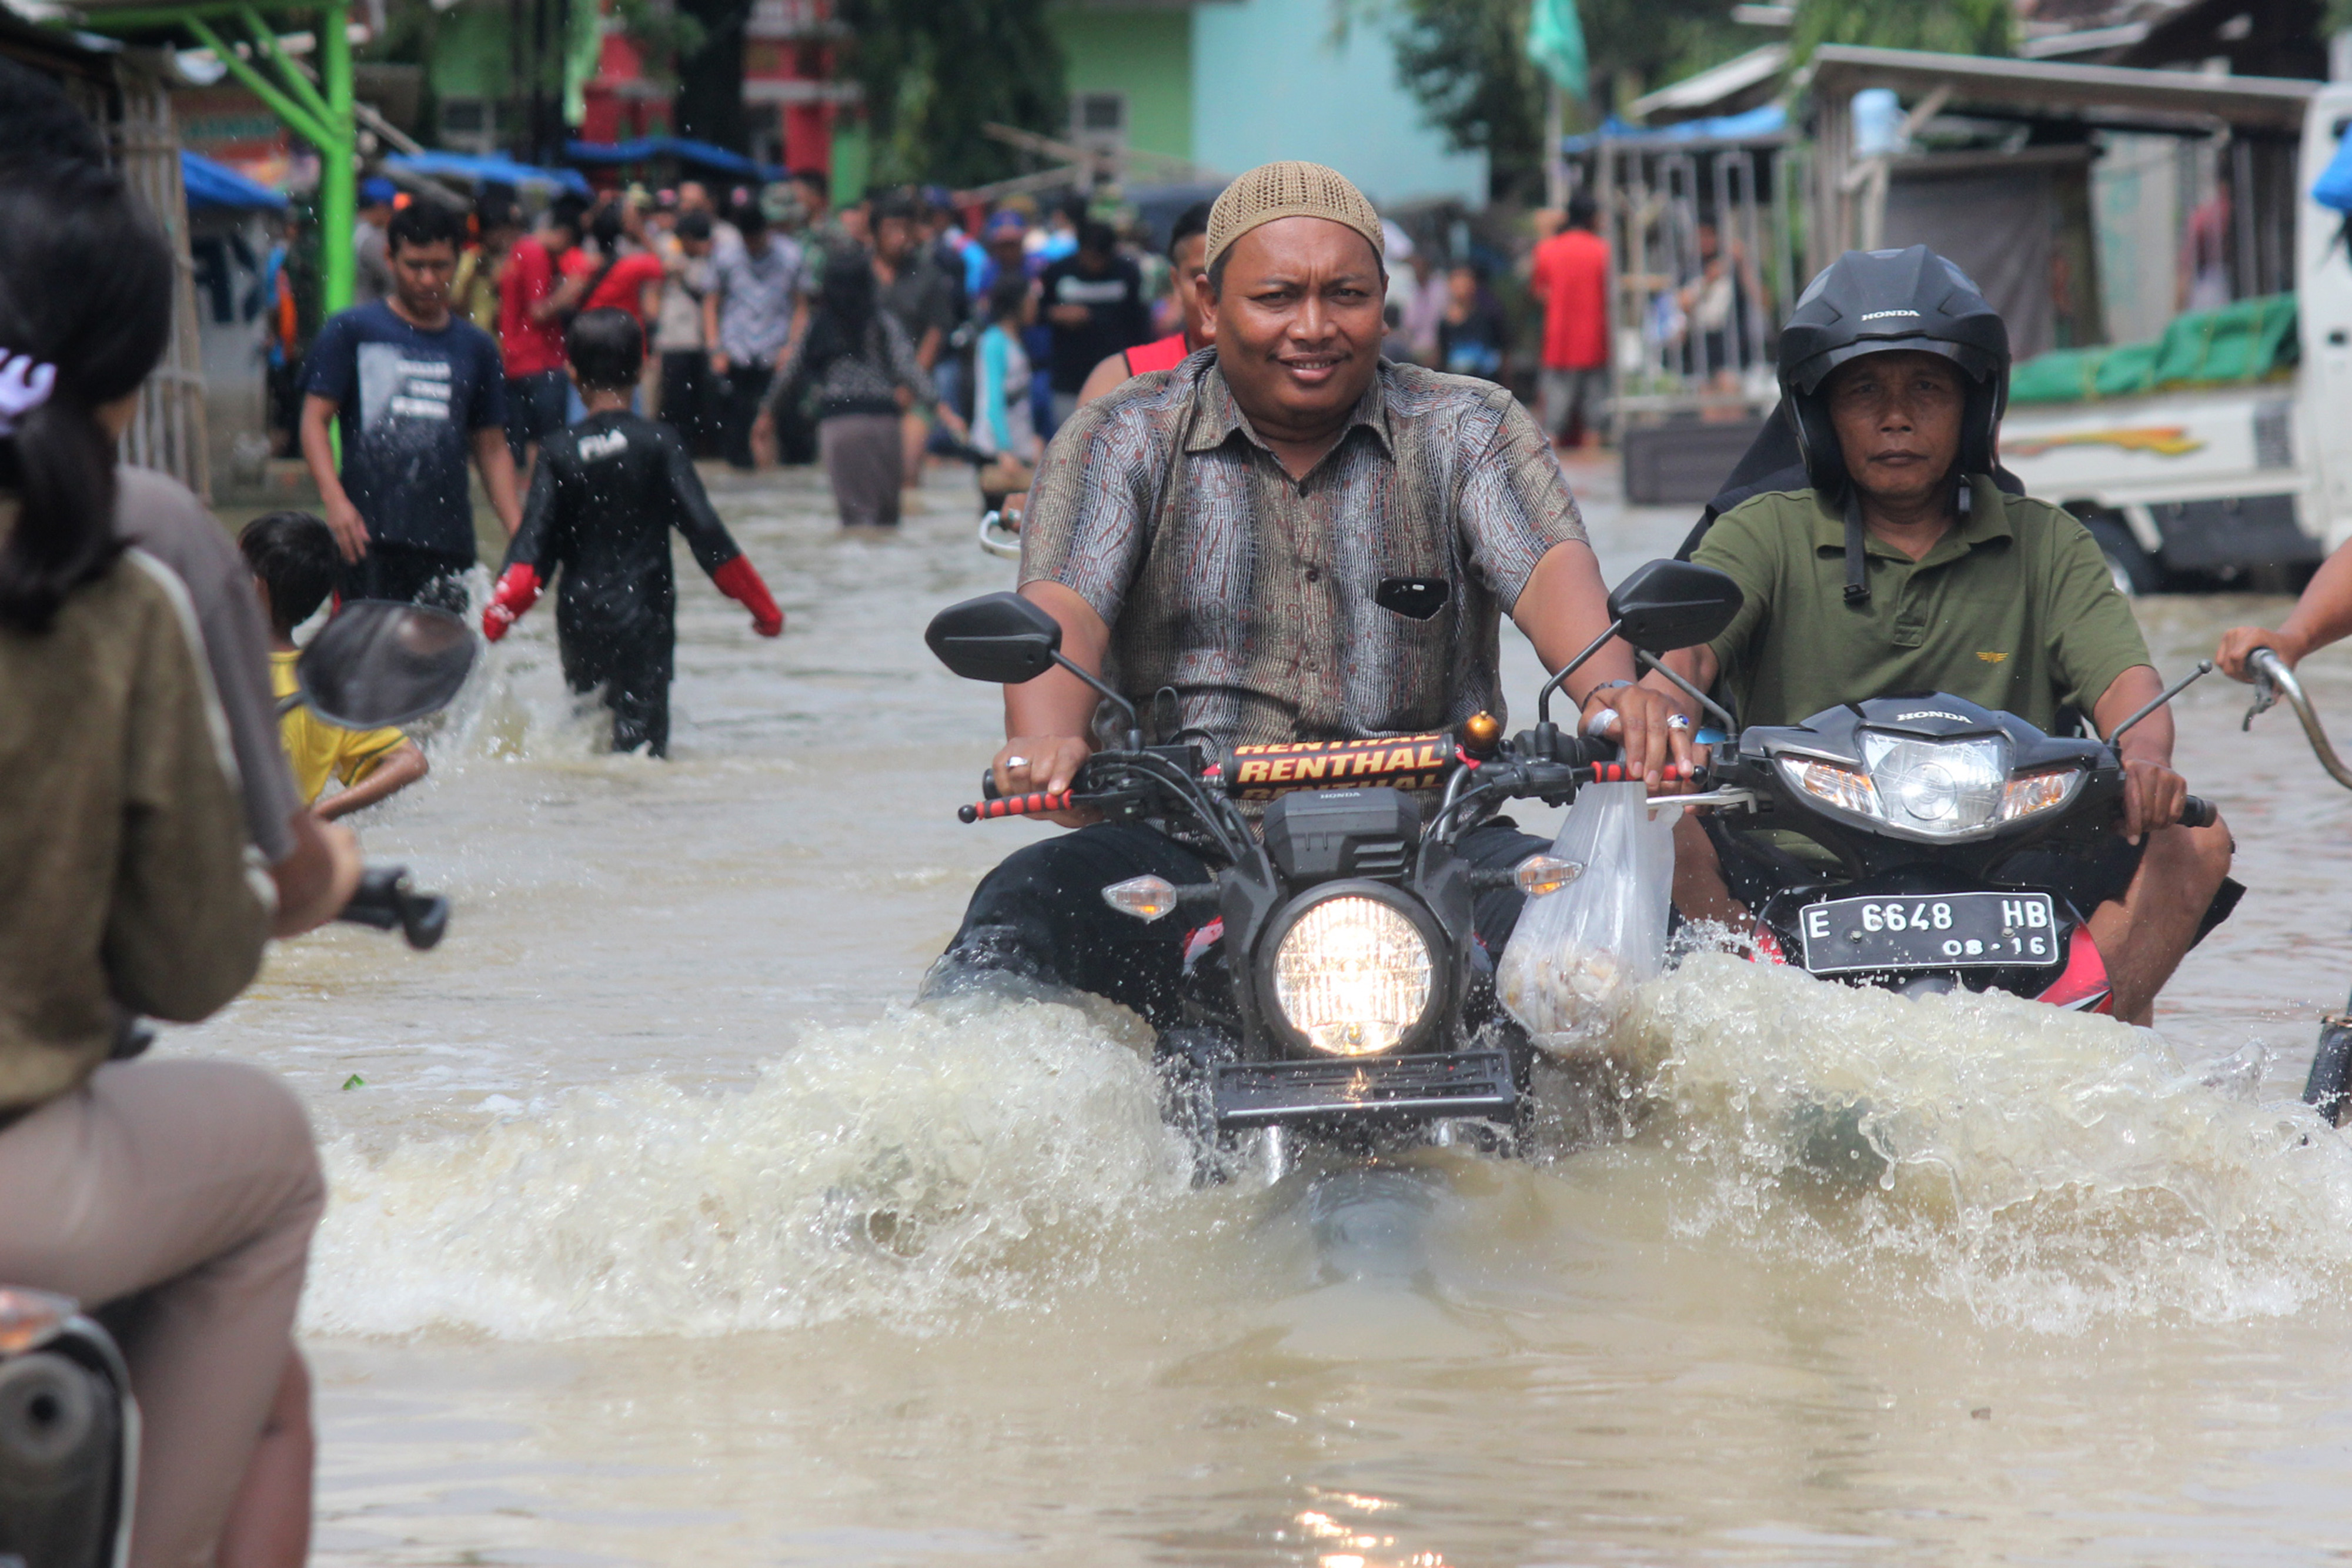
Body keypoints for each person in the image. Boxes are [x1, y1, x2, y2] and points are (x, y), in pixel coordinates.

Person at [922, 160, 1683, 1017]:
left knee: (1655, 959)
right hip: (1184, 856)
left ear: (1385, 300)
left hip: (1440, 846)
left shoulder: (1472, 426)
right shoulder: (1120, 434)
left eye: (1346, 296)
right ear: (1208, 304)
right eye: (1277, 297)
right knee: (1013, 918)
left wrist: (1616, 698)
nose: (1314, 327)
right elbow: (1065, 608)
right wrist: (1047, 739)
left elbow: (1549, 570)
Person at [0, 114, 325, 1568]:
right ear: (126, 384)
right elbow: (198, 957)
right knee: (276, 1162)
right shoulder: (121, 581)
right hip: (32, 1174)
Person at [1656, 245, 2236, 1027]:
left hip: (2015, 864)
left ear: (1975, 406)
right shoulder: (1763, 531)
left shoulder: (2048, 541)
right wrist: (1660, 729)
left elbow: (2126, 684)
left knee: (2195, 843)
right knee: (1657, 826)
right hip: (1802, 860)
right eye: (1865, 390)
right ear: (1820, 413)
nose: (1897, 417)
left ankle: (2073, 1046)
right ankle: (1746, 1039)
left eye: (1926, 387)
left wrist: (2147, 761)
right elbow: (1685, 653)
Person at [480, 309, 783, 755]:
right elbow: (705, 532)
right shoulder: (659, 444)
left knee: (588, 735)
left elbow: (532, 551)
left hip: (581, 618)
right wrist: (763, 608)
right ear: (642, 370)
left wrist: (496, 617)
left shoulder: (558, 451)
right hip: (645, 619)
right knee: (641, 750)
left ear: (573, 373)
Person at [299, 199, 522, 607]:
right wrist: (335, 501)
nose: (427, 279)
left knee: (444, 664)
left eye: (440, 266)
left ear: (459, 260)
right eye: (414, 265)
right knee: (365, 660)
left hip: (448, 541)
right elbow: (314, 420)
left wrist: (519, 535)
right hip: (365, 537)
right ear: (390, 258)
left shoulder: (477, 347)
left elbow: (491, 447)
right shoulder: (351, 330)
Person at [239, 511, 430, 817]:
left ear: (255, 586)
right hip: (287, 851)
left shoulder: (217, 664)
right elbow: (410, 761)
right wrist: (322, 814)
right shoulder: (325, 688)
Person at [758, 246, 939, 528]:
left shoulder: (819, 327)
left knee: (855, 520)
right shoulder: (882, 323)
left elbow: (791, 372)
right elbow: (908, 369)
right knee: (887, 521)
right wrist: (934, 403)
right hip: (883, 421)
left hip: (839, 425)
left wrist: (768, 410)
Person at [1073, 199, 1213, 404]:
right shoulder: (1122, 377)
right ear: (1175, 282)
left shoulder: (1273, 372)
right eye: (1198, 278)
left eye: (1227, 275)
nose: (1213, 292)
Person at [872, 189, 963, 488]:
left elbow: (935, 334)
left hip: (915, 387)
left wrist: (912, 384)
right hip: (867, 388)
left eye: (905, 229)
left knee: (908, 475)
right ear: (875, 232)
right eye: (891, 229)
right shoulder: (859, 275)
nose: (899, 237)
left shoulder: (928, 275)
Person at [497, 195, 593, 474]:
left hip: (516, 360)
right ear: (563, 234)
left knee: (523, 446)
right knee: (549, 447)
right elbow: (539, 311)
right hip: (540, 362)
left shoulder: (519, 248)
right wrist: (572, 289)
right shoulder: (536, 253)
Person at [703, 203, 802, 470]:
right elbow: (711, 302)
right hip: (737, 351)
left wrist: (792, 347)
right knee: (736, 430)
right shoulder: (725, 255)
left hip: (777, 350)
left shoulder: (790, 254)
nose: (752, 245)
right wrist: (715, 348)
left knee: (785, 429)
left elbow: (801, 304)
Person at [1036, 220, 1152, 433]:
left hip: (1116, 377)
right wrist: (1059, 314)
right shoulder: (1059, 272)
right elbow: (1038, 313)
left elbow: (1138, 322)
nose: (1095, 264)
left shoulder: (1126, 273)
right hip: (1069, 378)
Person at [1531, 192, 1609, 449]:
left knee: (1554, 415)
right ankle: (1593, 455)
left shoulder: (1547, 249)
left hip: (1559, 339)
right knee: (1593, 414)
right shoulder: (1602, 250)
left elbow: (1540, 292)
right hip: (1594, 339)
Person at [654, 209, 719, 453]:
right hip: (673, 343)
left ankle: (699, 450)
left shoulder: (710, 262)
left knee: (700, 404)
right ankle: (676, 449)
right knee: (675, 403)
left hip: (700, 343)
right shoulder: (670, 252)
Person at [970, 272, 1041, 468]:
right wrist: (1004, 449)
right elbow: (993, 400)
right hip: (998, 452)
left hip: (1018, 447)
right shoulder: (995, 342)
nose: (1035, 306)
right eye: (1030, 300)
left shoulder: (1016, 340)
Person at [451, 190, 520, 334]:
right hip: (472, 336)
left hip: (503, 342)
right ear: (485, 233)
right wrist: (475, 273)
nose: (502, 238)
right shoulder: (469, 259)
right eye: (497, 232)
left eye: (505, 231)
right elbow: (456, 305)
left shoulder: (515, 261)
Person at [1436, 260, 1508, 383]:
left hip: (1487, 383)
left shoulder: (1489, 317)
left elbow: (1503, 350)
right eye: (1458, 283)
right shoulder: (1444, 323)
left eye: (1466, 282)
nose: (1462, 288)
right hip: (1457, 385)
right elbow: (1442, 357)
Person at [353, 175, 397, 305]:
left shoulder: (348, 227)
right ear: (381, 206)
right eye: (390, 209)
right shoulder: (371, 237)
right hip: (363, 312)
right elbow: (393, 279)